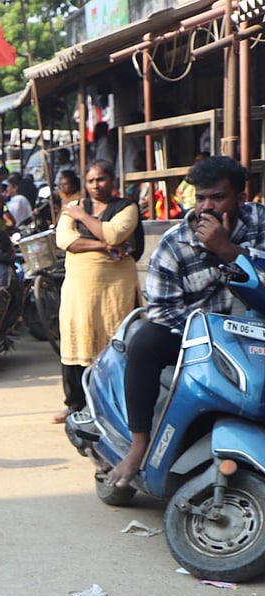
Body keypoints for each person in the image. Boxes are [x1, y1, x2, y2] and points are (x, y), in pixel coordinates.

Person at [107, 156, 265, 486]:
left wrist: (226, 249)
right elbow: (162, 309)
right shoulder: (174, 243)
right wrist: (206, 337)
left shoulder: (259, 222)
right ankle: (139, 446)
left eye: (218, 197)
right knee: (145, 342)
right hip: (195, 334)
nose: (206, 207)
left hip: (254, 332)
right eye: (201, 197)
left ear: (240, 196)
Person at [53, 160, 143, 423]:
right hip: (78, 289)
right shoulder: (73, 207)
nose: (95, 185)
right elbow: (65, 240)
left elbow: (115, 233)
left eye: (101, 179)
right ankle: (75, 405)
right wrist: (104, 246)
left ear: (112, 180)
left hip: (115, 290)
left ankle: (115, 405)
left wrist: (83, 218)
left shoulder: (127, 207)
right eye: (91, 181)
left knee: (116, 341)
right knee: (75, 339)